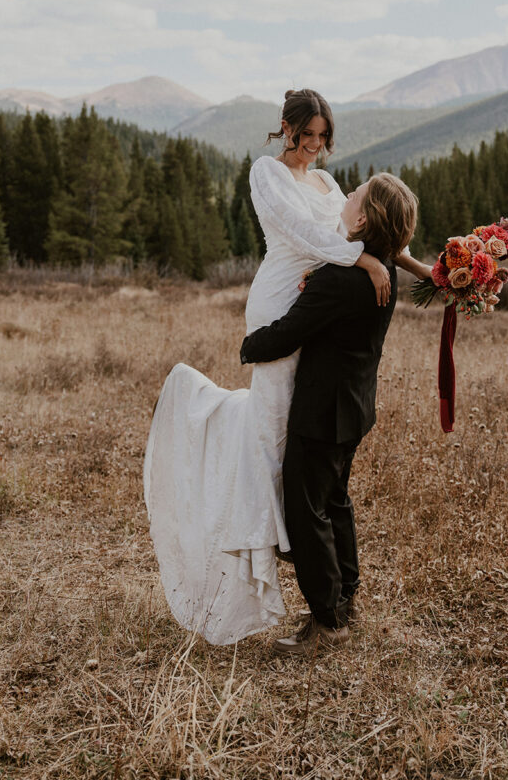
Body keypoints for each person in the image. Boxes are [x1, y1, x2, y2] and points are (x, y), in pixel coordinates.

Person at [143, 89, 407, 645]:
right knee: (274, 446)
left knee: (307, 464)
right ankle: (261, 567)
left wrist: (413, 264)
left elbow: (369, 226)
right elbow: (304, 233)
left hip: (318, 304)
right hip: (284, 302)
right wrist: (365, 260)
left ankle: (323, 593)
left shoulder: (331, 186)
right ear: (284, 129)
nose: (312, 147)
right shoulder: (266, 173)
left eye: (321, 138)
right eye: (304, 135)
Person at [240, 174, 418, 655]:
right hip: (354, 408)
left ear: (361, 218)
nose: (347, 195)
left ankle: (327, 623)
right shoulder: (380, 268)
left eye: (355, 194)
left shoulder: (341, 279)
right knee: (334, 500)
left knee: (306, 510)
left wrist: (249, 345)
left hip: (321, 412)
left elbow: (288, 332)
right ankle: (345, 600)